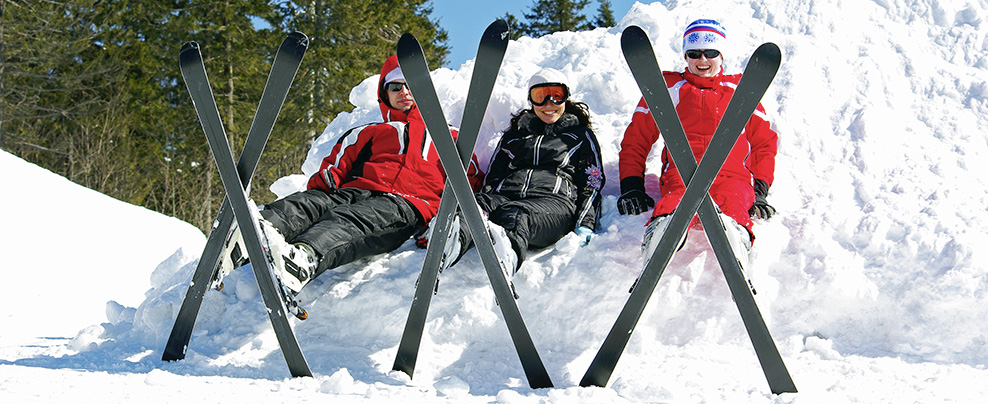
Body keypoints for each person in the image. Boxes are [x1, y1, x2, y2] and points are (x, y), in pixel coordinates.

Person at [220, 54, 483, 293]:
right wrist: (326, 181)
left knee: (349, 219)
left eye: (410, 85)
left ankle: (304, 258)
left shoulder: (449, 138)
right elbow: (337, 164)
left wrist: (446, 220)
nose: (403, 92)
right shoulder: (370, 131)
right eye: (395, 86)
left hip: (408, 205)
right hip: (359, 189)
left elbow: (470, 181)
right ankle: (251, 233)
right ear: (385, 93)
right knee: (312, 202)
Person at [616, 19, 778, 258]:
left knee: (732, 203)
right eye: (694, 53)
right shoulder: (668, 88)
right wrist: (631, 186)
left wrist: (761, 190)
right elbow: (636, 139)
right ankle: (662, 234)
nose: (702, 60)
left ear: (721, 55)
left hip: (732, 177)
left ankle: (735, 238)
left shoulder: (740, 90)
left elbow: (764, 144)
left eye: (710, 53)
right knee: (673, 203)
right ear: (686, 56)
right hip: (682, 177)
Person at [428, 68, 605, 274]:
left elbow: (591, 183)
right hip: (504, 197)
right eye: (540, 97)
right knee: (472, 206)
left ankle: (507, 255)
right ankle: (451, 242)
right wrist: (482, 205)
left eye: (557, 96)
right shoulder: (513, 137)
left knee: (516, 215)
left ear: (566, 98)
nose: (549, 104)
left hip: (552, 204)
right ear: (531, 101)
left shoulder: (580, 136)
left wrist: (585, 223)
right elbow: (493, 178)